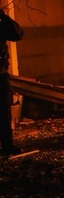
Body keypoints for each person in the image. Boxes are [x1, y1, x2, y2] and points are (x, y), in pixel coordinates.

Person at [0, 8, 23, 156]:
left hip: (0, 76)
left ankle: (8, 146)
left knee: (4, 113)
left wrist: (4, 17)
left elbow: (17, 34)